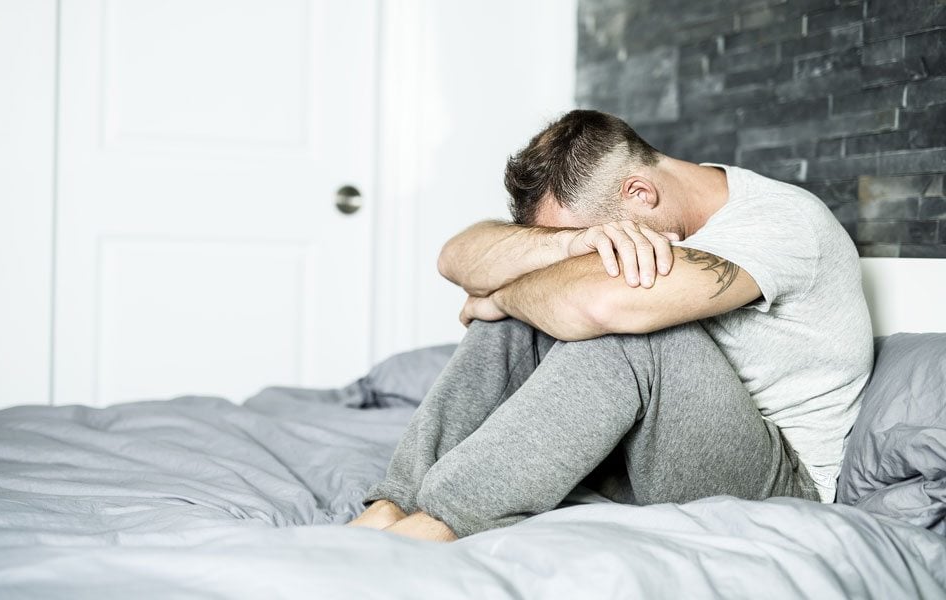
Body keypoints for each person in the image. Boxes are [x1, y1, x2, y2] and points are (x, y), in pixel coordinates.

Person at [348, 109, 873, 542]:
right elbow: (455, 257)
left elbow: (603, 308)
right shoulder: (639, 207)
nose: (589, 253)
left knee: (627, 333)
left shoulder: (783, 223)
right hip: (651, 453)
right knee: (513, 325)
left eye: (597, 237)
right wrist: (564, 245)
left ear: (640, 193)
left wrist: (503, 292)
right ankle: (397, 502)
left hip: (776, 481)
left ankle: (442, 523)